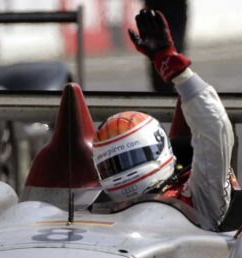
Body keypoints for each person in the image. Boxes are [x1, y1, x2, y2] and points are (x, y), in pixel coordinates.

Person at [91, 9, 234, 231]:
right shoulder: (97, 208)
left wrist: (176, 70)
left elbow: (214, 126)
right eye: (113, 165)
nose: (123, 172)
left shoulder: (200, 196)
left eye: (133, 157)